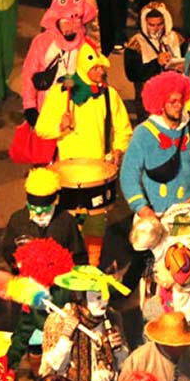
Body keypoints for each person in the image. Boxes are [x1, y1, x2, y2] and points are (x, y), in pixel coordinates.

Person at [36, 39, 133, 265]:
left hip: (98, 174)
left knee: (96, 223)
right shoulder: (62, 94)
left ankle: (92, 265)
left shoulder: (110, 95)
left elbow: (123, 129)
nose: (101, 72)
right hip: (68, 175)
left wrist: (119, 150)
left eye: (102, 68)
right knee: (68, 224)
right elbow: (41, 128)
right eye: (96, 68)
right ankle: (68, 265)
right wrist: (59, 126)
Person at [120, 70, 190, 227]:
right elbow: (128, 174)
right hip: (159, 215)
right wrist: (141, 206)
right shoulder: (143, 133)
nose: (179, 106)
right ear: (160, 103)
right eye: (172, 102)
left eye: (181, 101)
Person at [40, 265, 131, 381]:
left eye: (105, 296)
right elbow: (53, 366)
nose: (103, 302)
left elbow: (123, 364)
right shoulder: (59, 319)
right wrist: (66, 337)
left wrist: (118, 349)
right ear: (81, 298)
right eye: (97, 298)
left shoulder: (111, 317)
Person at [0, 238, 75, 381]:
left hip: (69, 352)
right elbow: (25, 328)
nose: (20, 271)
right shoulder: (34, 295)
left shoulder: (68, 291)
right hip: (42, 351)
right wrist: (8, 361)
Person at [21, 0, 97, 132]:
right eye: (66, 21)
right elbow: (28, 74)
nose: (71, 26)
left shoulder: (87, 45)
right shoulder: (42, 42)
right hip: (47, 106)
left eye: (75, 20)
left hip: (78, 108)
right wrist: (30, 106)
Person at [1, 167, 88, 271]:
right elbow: (8, 249)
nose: (39, 216)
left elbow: (79, 256)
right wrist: (16, 263)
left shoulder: (67, 221)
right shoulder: (17, 220)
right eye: (34, 210)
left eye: (44, 211)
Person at [124, 2, 185, 116]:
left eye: (160, 24)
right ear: (144, 23)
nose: (156, 28)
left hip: (175, 94)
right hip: (148, 99)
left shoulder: (176, 38)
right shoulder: (136, 43)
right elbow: (131, 74)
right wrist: (156, 63)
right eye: (151, 25)